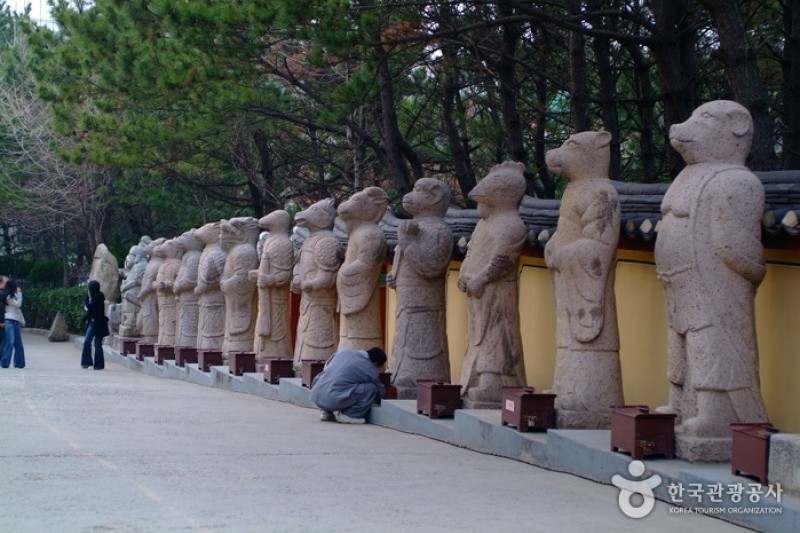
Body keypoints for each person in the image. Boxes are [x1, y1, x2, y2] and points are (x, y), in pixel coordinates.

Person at [310, 347, 387, 424]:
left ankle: (326, 411)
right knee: (372, 388)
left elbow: (326, 367)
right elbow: (379, 391)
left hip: (316, 395)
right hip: (333, 399)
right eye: (379, 368)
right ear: (376, 363)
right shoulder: (370, 369)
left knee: (330, 379)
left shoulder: (343, 351)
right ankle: (349, 415)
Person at [81, 280, 109, 370]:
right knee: (87, 341)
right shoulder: (91, 296)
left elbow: (91, 308)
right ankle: (86, 362)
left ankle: (99, 365)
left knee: (97, 344)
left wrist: (87, 302)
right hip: (92, 323)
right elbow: (89, 310)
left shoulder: (99, 296)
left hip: (99, 324)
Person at [0, 279, 25, 369]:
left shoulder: (15, 296)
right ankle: (4, 362)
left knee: (18, 343)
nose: (18, 288)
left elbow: (18, 310)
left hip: (16, 321)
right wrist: (20, 294)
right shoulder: (8, 297)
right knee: (10, 342)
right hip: (9, 321)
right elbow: (18, 304)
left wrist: (22, 320)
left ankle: (19, 363)